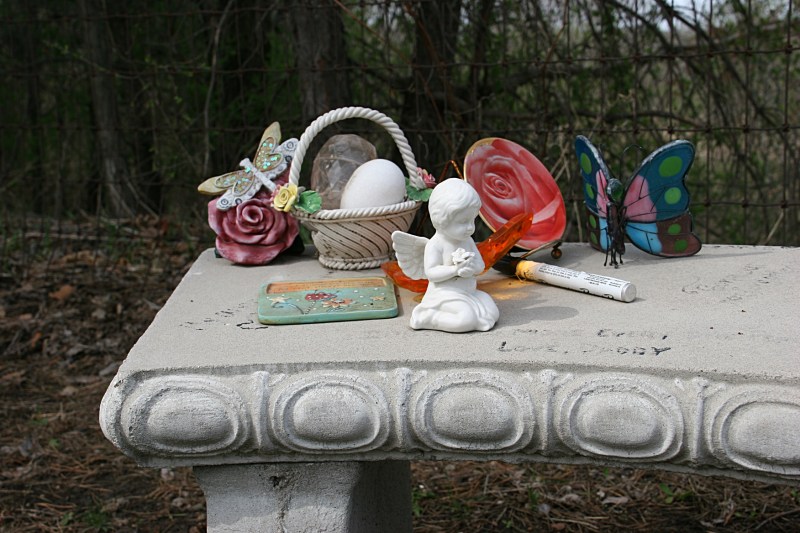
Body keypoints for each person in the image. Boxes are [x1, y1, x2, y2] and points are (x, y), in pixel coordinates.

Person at [393, 178, 499, 332]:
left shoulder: (467, 240)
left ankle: (473, 318)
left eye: (472, 220)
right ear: (441, 219)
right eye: (463, 221)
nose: (470, 227)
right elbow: (432, 273)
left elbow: (480, 266)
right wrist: (455, 270)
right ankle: (429, 318)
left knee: (492, 310)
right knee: (465, 320)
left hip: (469, 293)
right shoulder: (435, 245)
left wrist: (471, 267)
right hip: (444, 296)